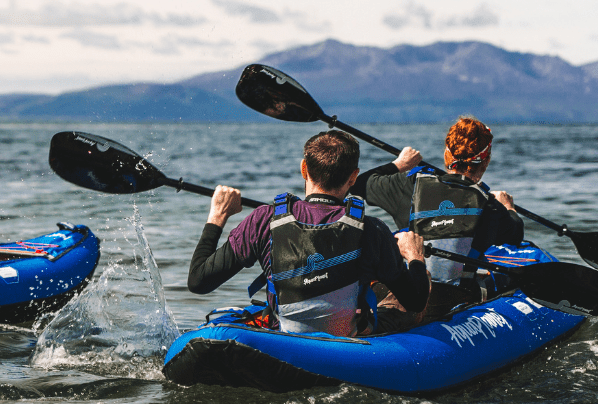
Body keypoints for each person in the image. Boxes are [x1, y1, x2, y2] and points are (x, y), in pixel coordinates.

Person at [187, 130, 430, 337]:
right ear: (353, 176)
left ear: (304, 169)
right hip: (348, 342)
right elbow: (415, 301)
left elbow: (199, 281)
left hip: (281, 338)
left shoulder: (263, 219)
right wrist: (415, 257)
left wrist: (218, 216)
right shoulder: (374, 229)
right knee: (410, 287)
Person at [359, 116, 523, 307]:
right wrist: (509, 208)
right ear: (485, 161)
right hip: (456, 295)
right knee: (504, 281)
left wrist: (399, 164)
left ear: (447, 156)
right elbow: (516, 235)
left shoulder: (408, 185)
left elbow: (359, 184)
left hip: (410, 289)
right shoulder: (491, 206)